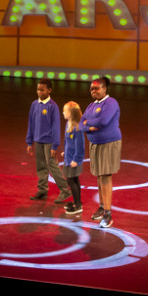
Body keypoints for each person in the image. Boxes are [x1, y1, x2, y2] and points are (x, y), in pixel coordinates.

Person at [81, 76, 121, 228]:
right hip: (95, 144)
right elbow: (80, 123)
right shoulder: (91, 106)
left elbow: (103, 121)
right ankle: (102, 207)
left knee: (105, 176)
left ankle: (108, 214)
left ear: (104, 89)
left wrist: (88, 123)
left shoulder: (111, 103)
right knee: (99, 176)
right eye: (91, 89)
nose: (93, 91)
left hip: (108, 143)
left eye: (96, 88)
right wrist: (89, 126)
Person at [26, 78, 72, 203]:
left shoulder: (53, 106)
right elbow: (31, 123)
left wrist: (55, 145)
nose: (39, 92)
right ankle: (42, 190)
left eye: (42, 90)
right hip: (38, 141)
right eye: (38, 90)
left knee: (52, 166)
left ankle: (65, 189)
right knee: (41, 166)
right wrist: (29, 141)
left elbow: (56, 127)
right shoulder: (34, 105)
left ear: (49, 90)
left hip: (49, 142)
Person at [61, 101, 85, 215]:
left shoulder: (77, 127)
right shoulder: (68, 124)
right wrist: (65, 152)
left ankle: (77, 205)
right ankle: (77, 202)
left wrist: (76, 159)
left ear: (70, 113)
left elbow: (79, 145)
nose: (63, 113)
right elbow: (68, 142)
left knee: (71, 180)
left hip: (73, 160)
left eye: (65, 111)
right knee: (74, 179)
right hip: (69, 157)